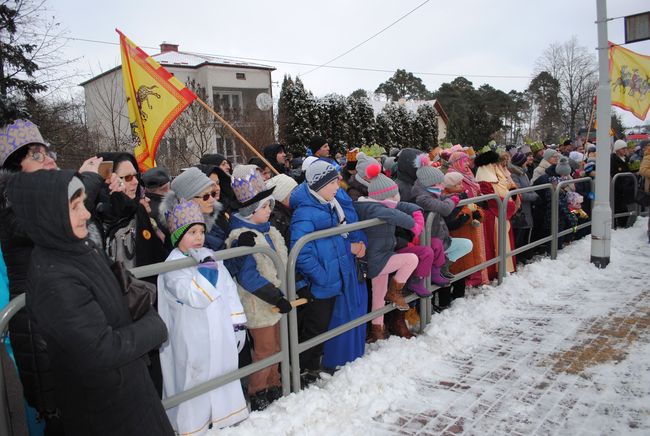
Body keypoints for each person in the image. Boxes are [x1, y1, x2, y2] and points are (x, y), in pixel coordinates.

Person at [7, 169, 173, 435]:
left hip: (128, 388)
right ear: (50, 216)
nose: (86, 213)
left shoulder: (80, 248)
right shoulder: (54, 278)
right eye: (74, 207)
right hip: (106, 410)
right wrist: (154, 325)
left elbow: (124, 290)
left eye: (83, 203)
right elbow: (101, 350)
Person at [0, 119, 105, 434]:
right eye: (36, 155)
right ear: (14, 169)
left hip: (62, 319)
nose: (49, 160)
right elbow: (55, 220)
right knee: (56, 414)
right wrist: (87, 179)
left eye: (48, 152)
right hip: (37, 328)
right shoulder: (11, 205)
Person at [158, 198, 248, 434]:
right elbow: (195, 296)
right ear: (178, 237)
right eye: (192, 232)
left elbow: (228, 289)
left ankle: (224, 417)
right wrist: (206, 270)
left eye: (201, 231)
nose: (199, 237)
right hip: (192, 338)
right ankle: (193, 426)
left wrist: (237, 323)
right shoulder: (173, 266)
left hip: (219, 331)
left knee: (221, 372)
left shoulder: (209, 256)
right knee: (194, 379)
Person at [226, 166, 302, 411]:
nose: (270, 211)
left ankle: (274, 382)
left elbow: (283, 264)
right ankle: (258, 389)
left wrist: (289, 290)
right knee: (265, 349)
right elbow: (248, 276)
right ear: (250, 211)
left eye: (270, 205)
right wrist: (274, 296)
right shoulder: (242, 236)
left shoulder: (269, 231)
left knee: (277, 345)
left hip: (276, 300)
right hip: (259, 303)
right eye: (265, 207)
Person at [290, 159, 367, 385]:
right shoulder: (306, 212)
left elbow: (332, 240)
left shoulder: (327, 204)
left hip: (332, 277)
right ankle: (300, 371)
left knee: (321, 328)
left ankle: (312, 366)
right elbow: (302, 252)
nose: (338, 186)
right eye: (333, 182)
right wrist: (322, 277)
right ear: (320, 185)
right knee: (314, 328)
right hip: (320, 282)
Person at [353, 164, 420, 342]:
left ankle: (377, 330)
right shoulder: (375, 209)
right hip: (377, 259)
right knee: (411, 259)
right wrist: (414, 225)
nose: (395, 197)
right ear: (384, 196)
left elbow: (399, 206)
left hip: (378, 255)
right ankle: (395, 292)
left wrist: (415, 209)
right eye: (392, 194)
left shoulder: (370, 204)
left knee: (378, 296)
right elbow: (394, 215)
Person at [474, 150, 518, 280]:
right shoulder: (484, 181)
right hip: (492, 216)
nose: (496, 166)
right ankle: (495, 271)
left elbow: (507, 188)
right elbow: (493, 200)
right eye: (493, 164)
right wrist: (510, 203)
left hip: (500, 215)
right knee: (494, 244)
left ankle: (506, 267)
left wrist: (514, 194)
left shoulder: (496, 177)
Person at [508, 152, 539, 263]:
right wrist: (534, 196)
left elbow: (529, 188)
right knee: (519, 234)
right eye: (525, 160)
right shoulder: (514, 174)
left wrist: (534, 194)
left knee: (525, 233)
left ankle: (524, 255)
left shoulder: (523, 173)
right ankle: (517, 258)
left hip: (527, 208)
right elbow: (519, 193)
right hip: (521, 209)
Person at [266, 174, 298, 248]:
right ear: (283, 197)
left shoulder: (291, 211)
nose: (298, 194)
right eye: (294, 191)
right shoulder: (277, 220)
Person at [611, 139, 635, 229]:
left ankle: (624, 223)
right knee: (619, 206)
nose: (625, 150)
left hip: (626, 187)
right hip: (618, 187)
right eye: (623, 149)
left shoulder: (626, 159)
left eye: (626, 148)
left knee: (624, 206)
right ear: (617, 150)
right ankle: (620, 224)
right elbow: (613, 173)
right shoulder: (613, 159)